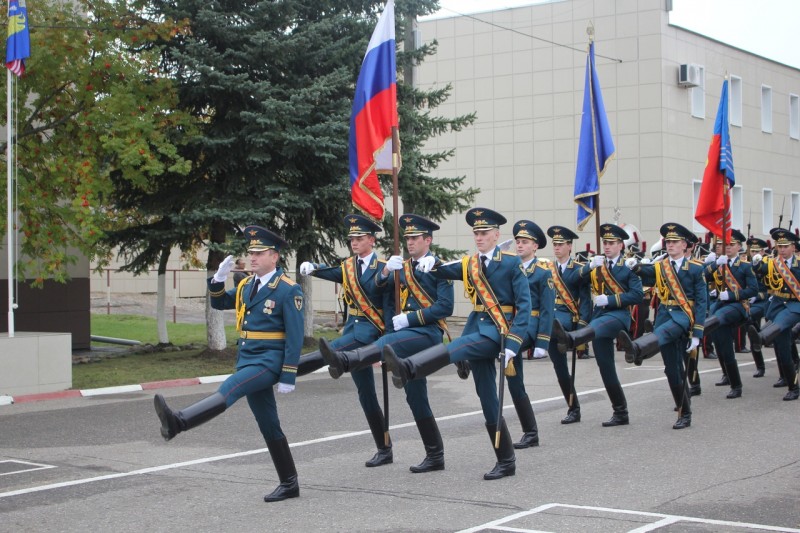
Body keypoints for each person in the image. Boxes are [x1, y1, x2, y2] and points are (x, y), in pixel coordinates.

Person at [153, 226, 303, 502]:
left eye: (259, 253)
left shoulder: (287, 289)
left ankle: (179, 422)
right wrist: (218, 279)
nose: (253, 257)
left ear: (274, 256)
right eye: (251, 252)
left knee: (230, 388)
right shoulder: (247, 285)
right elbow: (220, 303)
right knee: (268, 423)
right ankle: (289, 482)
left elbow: (295, 335)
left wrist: (288, 374)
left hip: (268, 361)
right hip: (247, 358)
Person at [383, 207, 531, 480]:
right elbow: (447, 271)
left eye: (484, 232)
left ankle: (409, 367)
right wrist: (432, 266)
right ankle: (506, 459)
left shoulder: (511, 263)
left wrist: (513, 343)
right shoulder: (470, 263)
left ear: (496, 235)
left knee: (457, 347)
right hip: (478, 327)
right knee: (488, 397)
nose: (479, 237)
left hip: (498, 333)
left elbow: (524, 306)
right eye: (476, 233)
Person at [318, 214, 454, 473]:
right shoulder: (403, 266)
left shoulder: (439, 267)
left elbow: (445, 307)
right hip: (406, 334)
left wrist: (410, 318)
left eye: (415, 238)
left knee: (387, 341)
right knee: (415, 397)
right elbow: (378, 288)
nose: (410, 242)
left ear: (428, 240)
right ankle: (435, 455)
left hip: (427, 333)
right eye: (408, 238)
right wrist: (385, 271)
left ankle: (345, 360)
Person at [298, 214, 395, 467]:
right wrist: (314, 267)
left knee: (329, 352)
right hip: (352, 329)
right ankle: (384, 449)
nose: (354, 242)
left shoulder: (385, 267)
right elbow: (332, 272)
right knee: (366, 395)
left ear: (371, 240)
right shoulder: (348, 266)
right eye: (352, 238)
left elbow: (389, 306)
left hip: (369, 334)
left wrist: (387, 340)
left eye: (359, 238)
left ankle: (288, 370)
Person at [551, 223, 644, 427]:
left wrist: (610, 300)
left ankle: (574, 338)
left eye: (611, 243)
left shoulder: (628, 266)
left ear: (620, 245)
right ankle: (621, 411)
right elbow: (571, 279)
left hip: (618, 315)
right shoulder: (597, 265)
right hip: (598, 317)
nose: (607, 246)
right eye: (605, 243)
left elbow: (638, 295)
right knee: (606, 367)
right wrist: (589, 267)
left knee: (599, 325)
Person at [618, 223, 707, 429]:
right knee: (672, 369)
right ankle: (684, 411)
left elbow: (702, 302)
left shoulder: (695, 268)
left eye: (675, 242)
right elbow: (646, 273)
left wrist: (697, 333)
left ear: (684, 245)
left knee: (665, 332)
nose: (670, 245)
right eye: (668, 242)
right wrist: (634, 266)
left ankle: (638, 348)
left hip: (684, 316)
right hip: (665, 315)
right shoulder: (661, 266)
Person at [508, 219, 554, 448]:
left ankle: (530, 431)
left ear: (535, 246)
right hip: (512, 323)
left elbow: (547, 309)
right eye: (518, 241)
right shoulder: (510, 269)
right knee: (514, 381)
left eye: (525, 242)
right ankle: (531, 433)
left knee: (510, 353)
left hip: (531, 324)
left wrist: (542, 342)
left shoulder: (542, 273)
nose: (519, 245)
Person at [702, 229, 757, 399]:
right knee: (723, 346)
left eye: (732, 244)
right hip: (719, 306)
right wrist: (716, 264)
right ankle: (732, 380)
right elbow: (702, 276)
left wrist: (732, 295)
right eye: (725, 244)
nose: (728, 247)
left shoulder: (745, 266)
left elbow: (753, 290)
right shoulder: (720, 264)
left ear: (739, 246)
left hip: (738, 306)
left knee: (717, 318)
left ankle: (698, 331)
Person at [545, 225, 591, 424]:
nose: (557, 247)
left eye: (561, 244)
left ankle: (560, 336)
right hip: (551, 322)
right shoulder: (547, 269)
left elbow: (586, 302)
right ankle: (574, 408)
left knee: (555, 324)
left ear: (570, 246)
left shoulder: (579, 269)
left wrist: (581, 331)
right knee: (560, 369)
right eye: (554, 244)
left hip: (568, 319)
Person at [749, 228, 800, 400]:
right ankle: (793, 386)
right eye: (780, 246)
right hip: (778, 304)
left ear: (793, 247)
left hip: (795, 305)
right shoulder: (772, 263)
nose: (782, 249)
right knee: (783, 350)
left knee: (783, 321)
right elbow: (758, 271)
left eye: (785, 246)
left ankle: (761, 337)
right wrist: (756, 263)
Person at [744, 237, 769, 378]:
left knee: (749, 317)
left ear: (763, 251)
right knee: (752, 332)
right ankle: (760, 366)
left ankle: (762, 336)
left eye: (757, 251)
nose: (754, 253)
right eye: (752, 251)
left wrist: (757, 296)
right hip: (749, 302)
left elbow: (771, 289)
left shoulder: (768, 265)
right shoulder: (746, 265)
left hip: (764, 302)